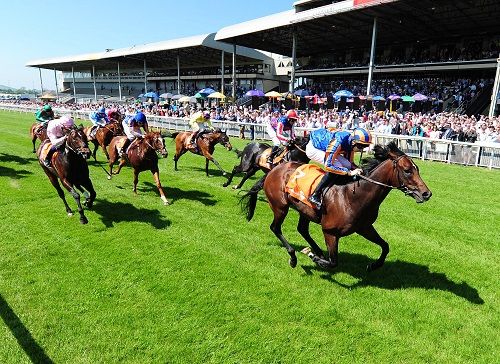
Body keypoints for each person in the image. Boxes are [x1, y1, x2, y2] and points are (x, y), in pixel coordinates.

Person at [306, 127, 373, 209]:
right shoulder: (339, 141)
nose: (362, 149)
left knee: (347, 165)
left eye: (365, 146)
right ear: (354, 142)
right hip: (314, 148)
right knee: (338, 166)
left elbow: (350, 164)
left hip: (325, 147)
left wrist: (358, 169)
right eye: (361, 146)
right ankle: (315, 194)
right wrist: (350, 173)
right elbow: (329, 166)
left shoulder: (350, 143)